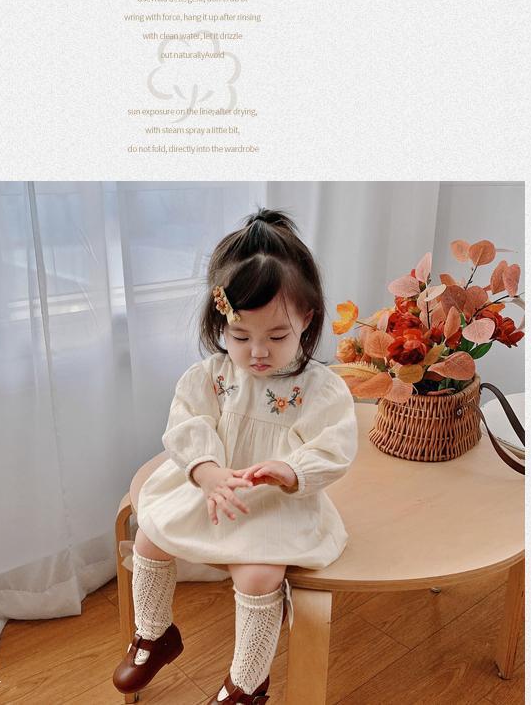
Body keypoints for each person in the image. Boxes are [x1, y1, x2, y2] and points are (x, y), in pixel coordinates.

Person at [113, 209, 359, 704]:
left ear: (307, 319)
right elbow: (187, 423)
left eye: (277, 337)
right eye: (241, 337)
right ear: (221, 324)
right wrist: (205, 470)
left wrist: (291, 470)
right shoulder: (212, 376)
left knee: (260, 576)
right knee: (151, 537)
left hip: (274, 505)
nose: (258, 352)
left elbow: (335, 446)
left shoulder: (320, 388)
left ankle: (248, 682)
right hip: (211, 490)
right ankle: (155, 633)